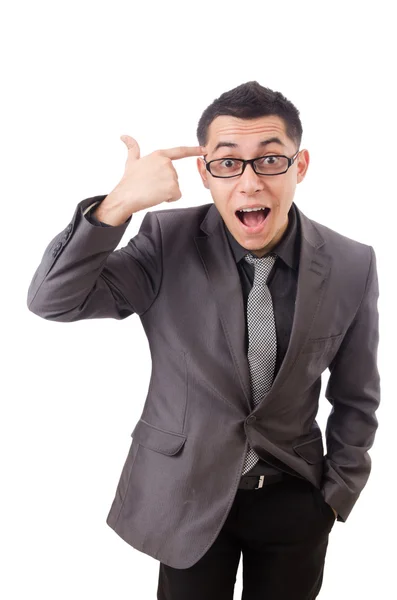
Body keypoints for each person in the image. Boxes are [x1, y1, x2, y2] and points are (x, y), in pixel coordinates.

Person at [27, 81, 381, 600]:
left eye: (270, 161)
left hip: (295, 501)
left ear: (300, 167)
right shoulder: (164, 242)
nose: (250, 182)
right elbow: (52, 301)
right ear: (205, 174)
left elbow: (357, 394)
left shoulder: (353, 262)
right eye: (228, 163)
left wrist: (335, 495)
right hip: (186, 497)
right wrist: (118, 204)